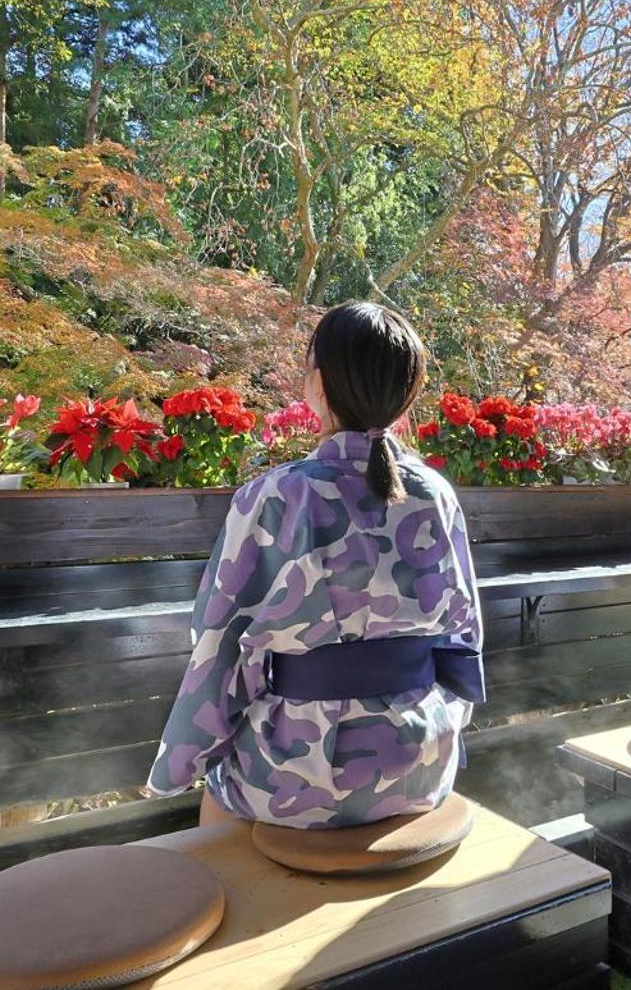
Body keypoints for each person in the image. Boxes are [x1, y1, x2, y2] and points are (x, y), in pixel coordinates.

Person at [144, 301, 484, 828]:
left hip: (301, 771)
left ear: (318, 385)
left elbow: (220, 643)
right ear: (406, 393)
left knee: (216, 793)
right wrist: (442, 720)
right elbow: (462, 635)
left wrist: (177, 767)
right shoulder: (436, 494)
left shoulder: (278, 495)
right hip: (422, 758)